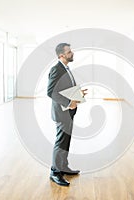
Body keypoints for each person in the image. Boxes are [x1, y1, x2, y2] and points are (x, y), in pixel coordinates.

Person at [47, 43, 86, 186]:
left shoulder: (66, 68)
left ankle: (63, 166)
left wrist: (78, 95)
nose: (72, 53)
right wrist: (70, 103)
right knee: (61, 142)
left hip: (68, 113)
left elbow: (64, 89)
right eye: (69, 52)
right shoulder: (56, 69)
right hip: (62, 113)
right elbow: (51, 92)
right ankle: (55, 172)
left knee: (66, 141)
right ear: (61, 55)